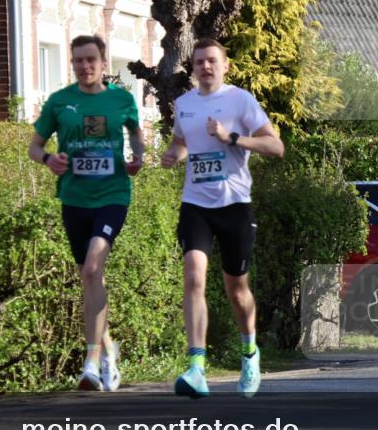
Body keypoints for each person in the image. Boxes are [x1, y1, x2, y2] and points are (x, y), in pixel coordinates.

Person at [160, 38, 285, 398]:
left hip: (234, 205)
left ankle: (249, 352)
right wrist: (173, 155)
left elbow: (275, 146)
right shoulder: (183, 104)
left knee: (237, 290)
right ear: (193, 67)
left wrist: (232, 137)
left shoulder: (240, 100)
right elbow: (182, 143)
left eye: (212, 61)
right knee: (194, 277)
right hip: (196, 204)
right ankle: (197, 367)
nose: (205, 67)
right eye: (199, 62)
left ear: (225, 65)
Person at [29, 34, 144, 391]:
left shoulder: (121, 100)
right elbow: (35, 146)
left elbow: (137, 133)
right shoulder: (60, 102)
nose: (84, 66)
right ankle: (110, 350)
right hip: (74, 199)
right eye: (78, 60)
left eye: (90, 59)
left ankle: (91, 363)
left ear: (103, 62)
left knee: (94, 267)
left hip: (112, 195)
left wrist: (138, 158)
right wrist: (50, 160)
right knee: (90, 278)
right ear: (72, 63)